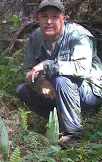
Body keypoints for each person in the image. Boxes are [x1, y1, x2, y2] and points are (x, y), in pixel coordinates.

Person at [16, 0, 102, 148]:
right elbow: (27, 71)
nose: (49, 21)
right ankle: (57, 120)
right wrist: (41, 82)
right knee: (22, 90)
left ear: (64, 18)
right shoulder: (35, 37)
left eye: (55, 16)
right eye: (44, 16)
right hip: (57, 90)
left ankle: (72, 135)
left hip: (89, 92)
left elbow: (82, 69)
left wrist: (46, 65)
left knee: (61, 80)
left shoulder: (79, 36)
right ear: (38, 18)